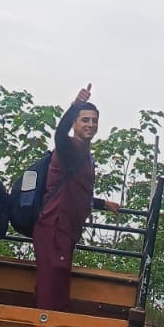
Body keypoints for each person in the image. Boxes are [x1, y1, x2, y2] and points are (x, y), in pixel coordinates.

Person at [33, 84, 121, 313]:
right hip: (53, 225)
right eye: (85, 120)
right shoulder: (69, 147)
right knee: (51, 286)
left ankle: (53, 326)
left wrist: (102, 204)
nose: (90, 124)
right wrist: (74, 106)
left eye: (94, 120)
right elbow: (59, 134)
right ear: (75, 123)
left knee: (59, 284)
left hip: (67, 231)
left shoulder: (86, 155)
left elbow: (78, 193)